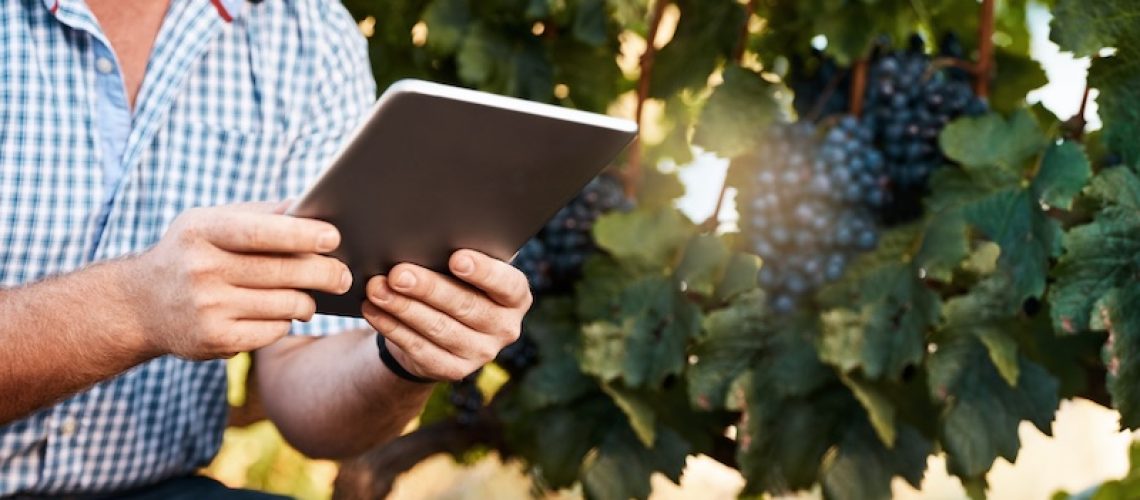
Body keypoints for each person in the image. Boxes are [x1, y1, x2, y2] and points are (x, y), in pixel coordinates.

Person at [0, 0, 532, 497]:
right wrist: (134, 308)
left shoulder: (310, 35)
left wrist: (404, 358)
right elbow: (142, 304)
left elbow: (309, 393)